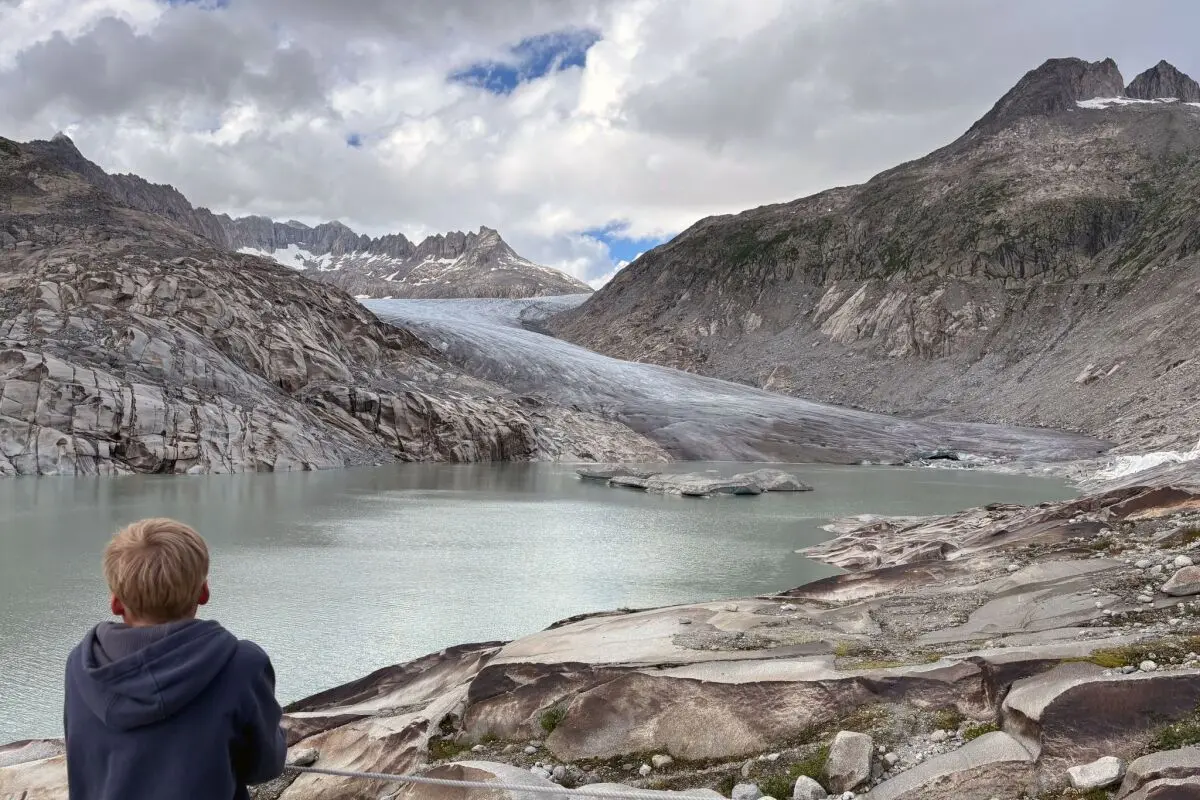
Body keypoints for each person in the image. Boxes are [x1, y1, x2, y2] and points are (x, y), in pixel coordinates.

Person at [64, 518, 287, 800]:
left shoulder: (81, 665)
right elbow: (264, 766)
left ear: (116, 603)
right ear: (204, 592)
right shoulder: (241, 665)